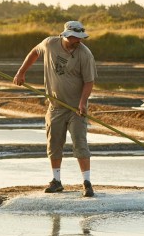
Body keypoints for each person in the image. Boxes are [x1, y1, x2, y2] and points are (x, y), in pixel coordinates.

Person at [13, 21, 97, 197]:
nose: (79, 41)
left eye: (82, 38)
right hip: (55, 106)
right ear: (67, 35)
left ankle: (87, 183)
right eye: (76, 38)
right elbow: (35, 52)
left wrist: (82, 103)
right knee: (54, 144)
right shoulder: (50, 44)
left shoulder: (85, 54)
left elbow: (89, 82)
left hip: (76, 108)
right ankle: (56, 181)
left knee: (80, 144)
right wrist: (21, 72)